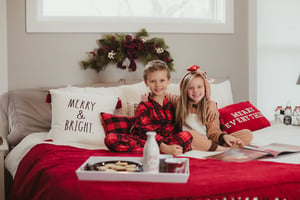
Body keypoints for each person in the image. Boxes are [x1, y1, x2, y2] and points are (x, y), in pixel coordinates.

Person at [104, 60, 193, 155]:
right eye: (153, 81)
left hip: (167, 140)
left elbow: (178, 125)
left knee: (187, 136)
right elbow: (146, 130)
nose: (158, 85)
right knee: (110, 139)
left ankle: (157, 150)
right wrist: (163, 147)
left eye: (162, 80)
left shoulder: (172, 104)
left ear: (168, 81)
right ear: (146, 82)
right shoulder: (144, 105)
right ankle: (159, 150)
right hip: (145, 140)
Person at [169, 65, 253, 151]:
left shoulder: (209, 108)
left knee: (247, 134)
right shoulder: (179, 102)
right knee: (190, 135)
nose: (196, 91)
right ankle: (223, 149)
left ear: (206, 88)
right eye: (191, 88)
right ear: (185, 90)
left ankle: (223, 145)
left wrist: (224, 137)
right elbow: (163, 94)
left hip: (209, 141)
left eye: (199, 87)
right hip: (190, 141)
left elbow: (214, 134)